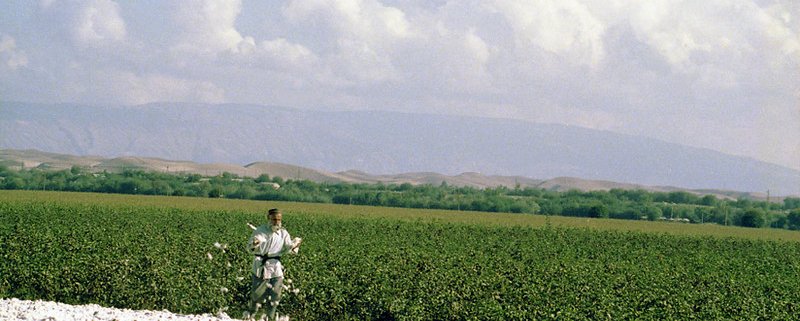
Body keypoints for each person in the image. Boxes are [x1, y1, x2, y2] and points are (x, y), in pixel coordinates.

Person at [245, 208, 302, 321]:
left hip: (276, 266)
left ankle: (269, 318)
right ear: (269, 218)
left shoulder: (283, 233)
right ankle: (250, 316)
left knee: (276, 294)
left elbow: (288, 247)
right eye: (274, 219)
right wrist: (254, 244)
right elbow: (249, 247)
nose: (276, 222)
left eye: (279, 219)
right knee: (257, 296)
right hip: (261, 266)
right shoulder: (260, 231)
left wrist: (295, 245)